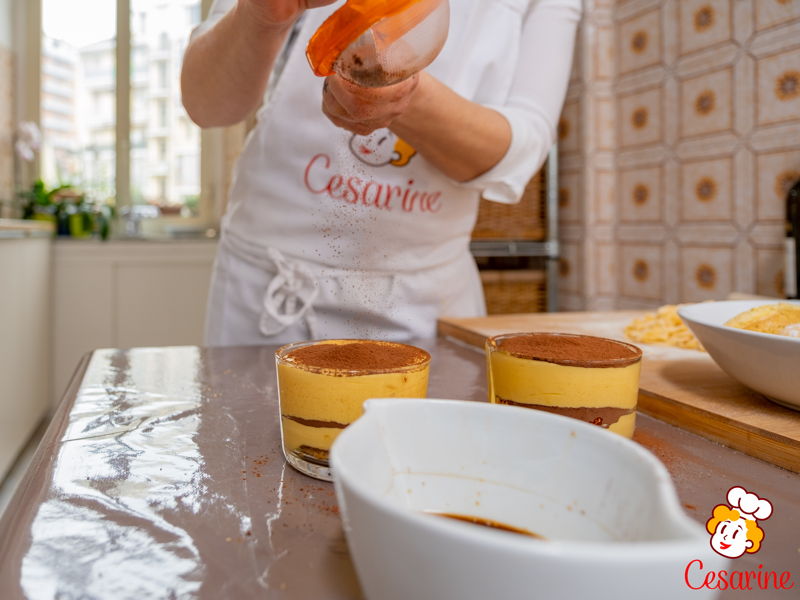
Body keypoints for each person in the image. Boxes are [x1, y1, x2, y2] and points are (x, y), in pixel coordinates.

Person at [181, 0, 581, 346]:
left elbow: (522, 149)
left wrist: (408, 98)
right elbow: (207, 105)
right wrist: (261, 15)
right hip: (265, 288)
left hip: (421, 304)